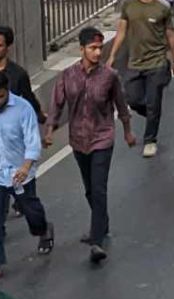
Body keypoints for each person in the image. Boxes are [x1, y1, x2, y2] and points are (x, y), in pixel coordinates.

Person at [45, 26, 134, 264]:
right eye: (92, 48)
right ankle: (101, 223)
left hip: (102, 138)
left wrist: (127, 132)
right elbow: (57, 104)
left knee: (99, 187)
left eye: (99, 48)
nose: (97, 53)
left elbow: (121, 105)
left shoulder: (109, 76)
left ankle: (96, 241)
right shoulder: (67, 76)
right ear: (81, 49)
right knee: (89, 188)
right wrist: (50, 130)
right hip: (78, 139)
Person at [0, 70, 51, 266]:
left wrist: (25, 166)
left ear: (7, 92)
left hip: (20, 174)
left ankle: (43, 230)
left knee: (32, 213)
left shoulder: (23, 109)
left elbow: (33, 143)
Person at [109, 0, 174, 157]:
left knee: (153, 101)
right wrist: (112, 56)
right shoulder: (128, 5)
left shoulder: (162, 7)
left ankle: (150, 139)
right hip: (134, 63)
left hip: (157, 62)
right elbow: (121, 31)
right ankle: (152, 115)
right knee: (132, 99)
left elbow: (171, 34)